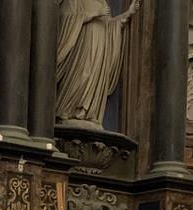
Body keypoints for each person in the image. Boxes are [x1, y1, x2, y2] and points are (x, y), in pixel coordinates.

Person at [56, 0, 140, 128]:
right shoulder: (75, 1)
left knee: (93, 76)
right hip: (82, 49)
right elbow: (65, 18)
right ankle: (68, 109)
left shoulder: (103, 3)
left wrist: (129, 12)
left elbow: (111, 26)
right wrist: (95, 14)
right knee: (82, 75)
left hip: (100, 50)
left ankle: (87, 112)